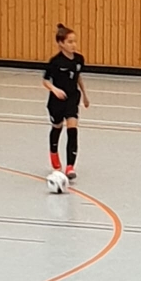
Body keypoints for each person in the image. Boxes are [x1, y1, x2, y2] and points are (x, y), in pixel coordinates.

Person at [43, 24, 90, 179]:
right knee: (57, 127)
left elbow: (78, 77)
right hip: (57, 101)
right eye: (70, 42)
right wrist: (54, 89)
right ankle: (53, 153)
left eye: (75, 41)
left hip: (72, 98)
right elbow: (45, 80)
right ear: (61, 43)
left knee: (72, 129)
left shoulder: (79, 59)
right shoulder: (55, 62)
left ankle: (70, 167)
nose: (73, 45)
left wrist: (85, 95)